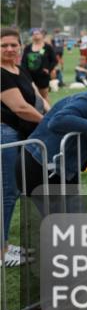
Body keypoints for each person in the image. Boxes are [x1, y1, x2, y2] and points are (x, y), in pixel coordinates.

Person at [1, 28, 48, 266]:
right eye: (3, 45)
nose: (9, 49)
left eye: (13, 45)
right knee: (7, 192)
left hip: (21, 133)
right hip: (6, 135)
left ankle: (5, 245)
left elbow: (38, 99)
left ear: (20, 46)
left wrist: (53, 111)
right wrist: (50, 123)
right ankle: (1, 251)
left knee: (13, 191)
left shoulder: (19, 69)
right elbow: (20, 108)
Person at [21, 28, 56, 101]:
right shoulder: (28, 48)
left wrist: (48, 69)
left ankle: (47, 112)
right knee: (31, 96)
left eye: (37, 33)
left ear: (42, 35)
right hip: (29, 76)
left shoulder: (47, 47)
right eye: (33, 34)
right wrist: (24, 73)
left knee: (44, 97)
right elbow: (23, 62)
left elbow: (54, 60)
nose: (35, 35)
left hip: (42, 76)